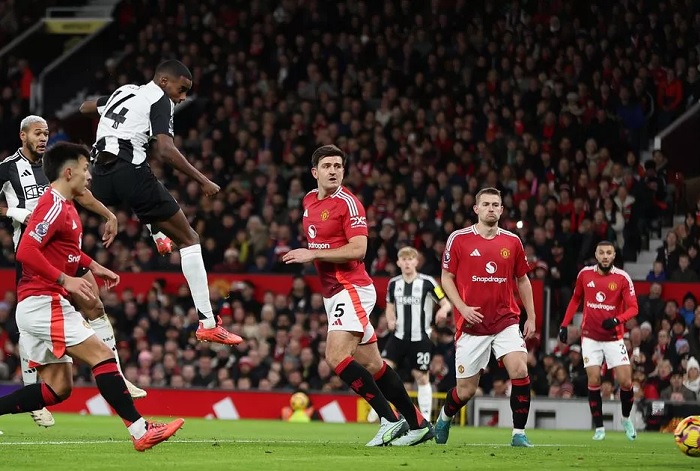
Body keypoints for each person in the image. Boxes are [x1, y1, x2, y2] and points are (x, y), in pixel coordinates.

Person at [0, 142, 183, 451]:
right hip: (44, 301)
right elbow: (26, 251)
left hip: (41, 303)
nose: (89, 176)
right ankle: (141, 431)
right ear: (68, 172)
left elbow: (65, 252)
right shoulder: (53, 205)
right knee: (102, 355)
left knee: (59, 388)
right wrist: (65, 280)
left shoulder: (65, 206)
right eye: (85, 169)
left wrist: (95, 267)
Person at [79, 60, 241, 346]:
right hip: (128, 172)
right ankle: (208, 323)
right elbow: (165, 149)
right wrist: (203, 180)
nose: (183, 97)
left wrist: (109, 109)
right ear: (164, 81)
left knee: (148, 186)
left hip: (99, 179)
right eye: (182, 89)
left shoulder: (125, 91)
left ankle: (157, 233)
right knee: (189, 239)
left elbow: (84, 108)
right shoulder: (160, 99)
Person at [283, 144, 432, 446]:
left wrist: (313, 254)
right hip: (333, 293)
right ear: (314, 172)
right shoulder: (309, 200)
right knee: (374, 365)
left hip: (350, 287)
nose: (333, 171)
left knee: (335, 356)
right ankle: (418, 424)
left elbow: (359, 249)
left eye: (338, 166)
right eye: (327, 166)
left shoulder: (349, 204)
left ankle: (389, 419)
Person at [435, 187, 536, 447]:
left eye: (495, 205)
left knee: (520, 369)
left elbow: (523, 280)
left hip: (505, 320)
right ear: (476, 209)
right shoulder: (459, 239)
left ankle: (518, 433)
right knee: (466, 391)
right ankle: (445, 417)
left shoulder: (512, 241)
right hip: (471, 324)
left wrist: (532, 317)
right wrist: (462, 308)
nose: (491, 209)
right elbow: (446, 277)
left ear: (501, 210)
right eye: (486, 204)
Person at [559, 240, 639, 441]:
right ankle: (600, 428)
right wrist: (564, 324)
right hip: (590, 337)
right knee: (594, 379)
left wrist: (617, 320)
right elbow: (576, 299)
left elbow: (633, 308)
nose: (605, 256)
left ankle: (625, 418)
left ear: (614, 255)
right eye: (601, 252)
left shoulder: (622, 278)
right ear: (596, 255)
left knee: (626, 382)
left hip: (614, 338)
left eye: (608, 253)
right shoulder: (585, 274)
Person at [382, 246, 451, 419]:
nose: (407, 263)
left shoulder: (428, 282)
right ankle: (384, 412)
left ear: (416, 262)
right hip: (398, 336)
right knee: (383, 370)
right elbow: (389, 307)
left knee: (421, 377)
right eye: (404, 259)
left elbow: (445, 303)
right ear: (398, 262)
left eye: (410, 259)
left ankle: (426, 418)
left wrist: (443, 311)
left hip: (420, 337)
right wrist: (390, 320)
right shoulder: (393, 283)